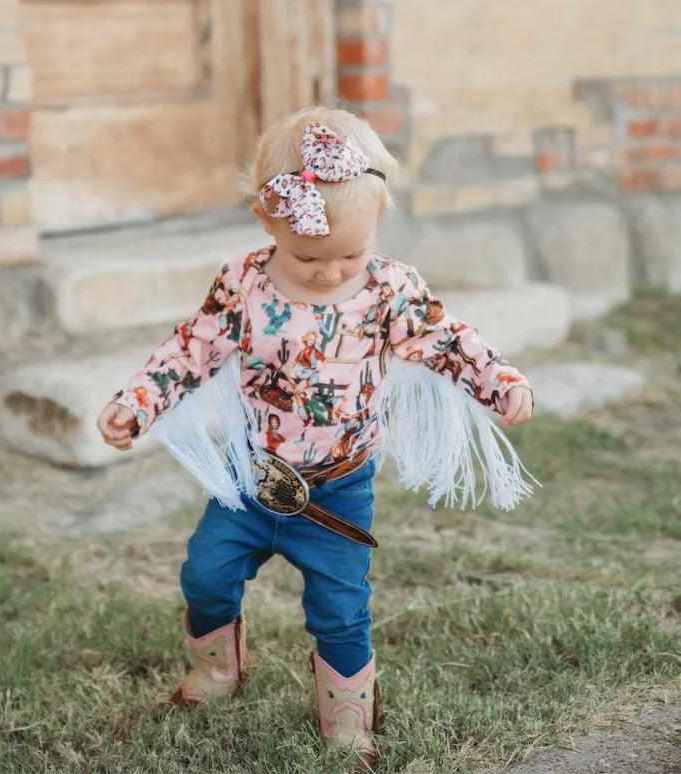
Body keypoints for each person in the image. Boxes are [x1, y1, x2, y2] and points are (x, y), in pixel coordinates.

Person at [96, 106, 534, 769]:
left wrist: (499, 381)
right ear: (265, 219)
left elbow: (449, 340)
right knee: (205, 573)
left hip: (336, 493)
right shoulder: (242, 283)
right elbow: (191, 350)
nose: (329, 273)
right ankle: (218, 670)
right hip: (252, 480)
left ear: (379, 223)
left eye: (348, 255)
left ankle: (348, 716)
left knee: (340, 610)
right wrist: (138, 402)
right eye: (308, 257)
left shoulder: (390, 290)